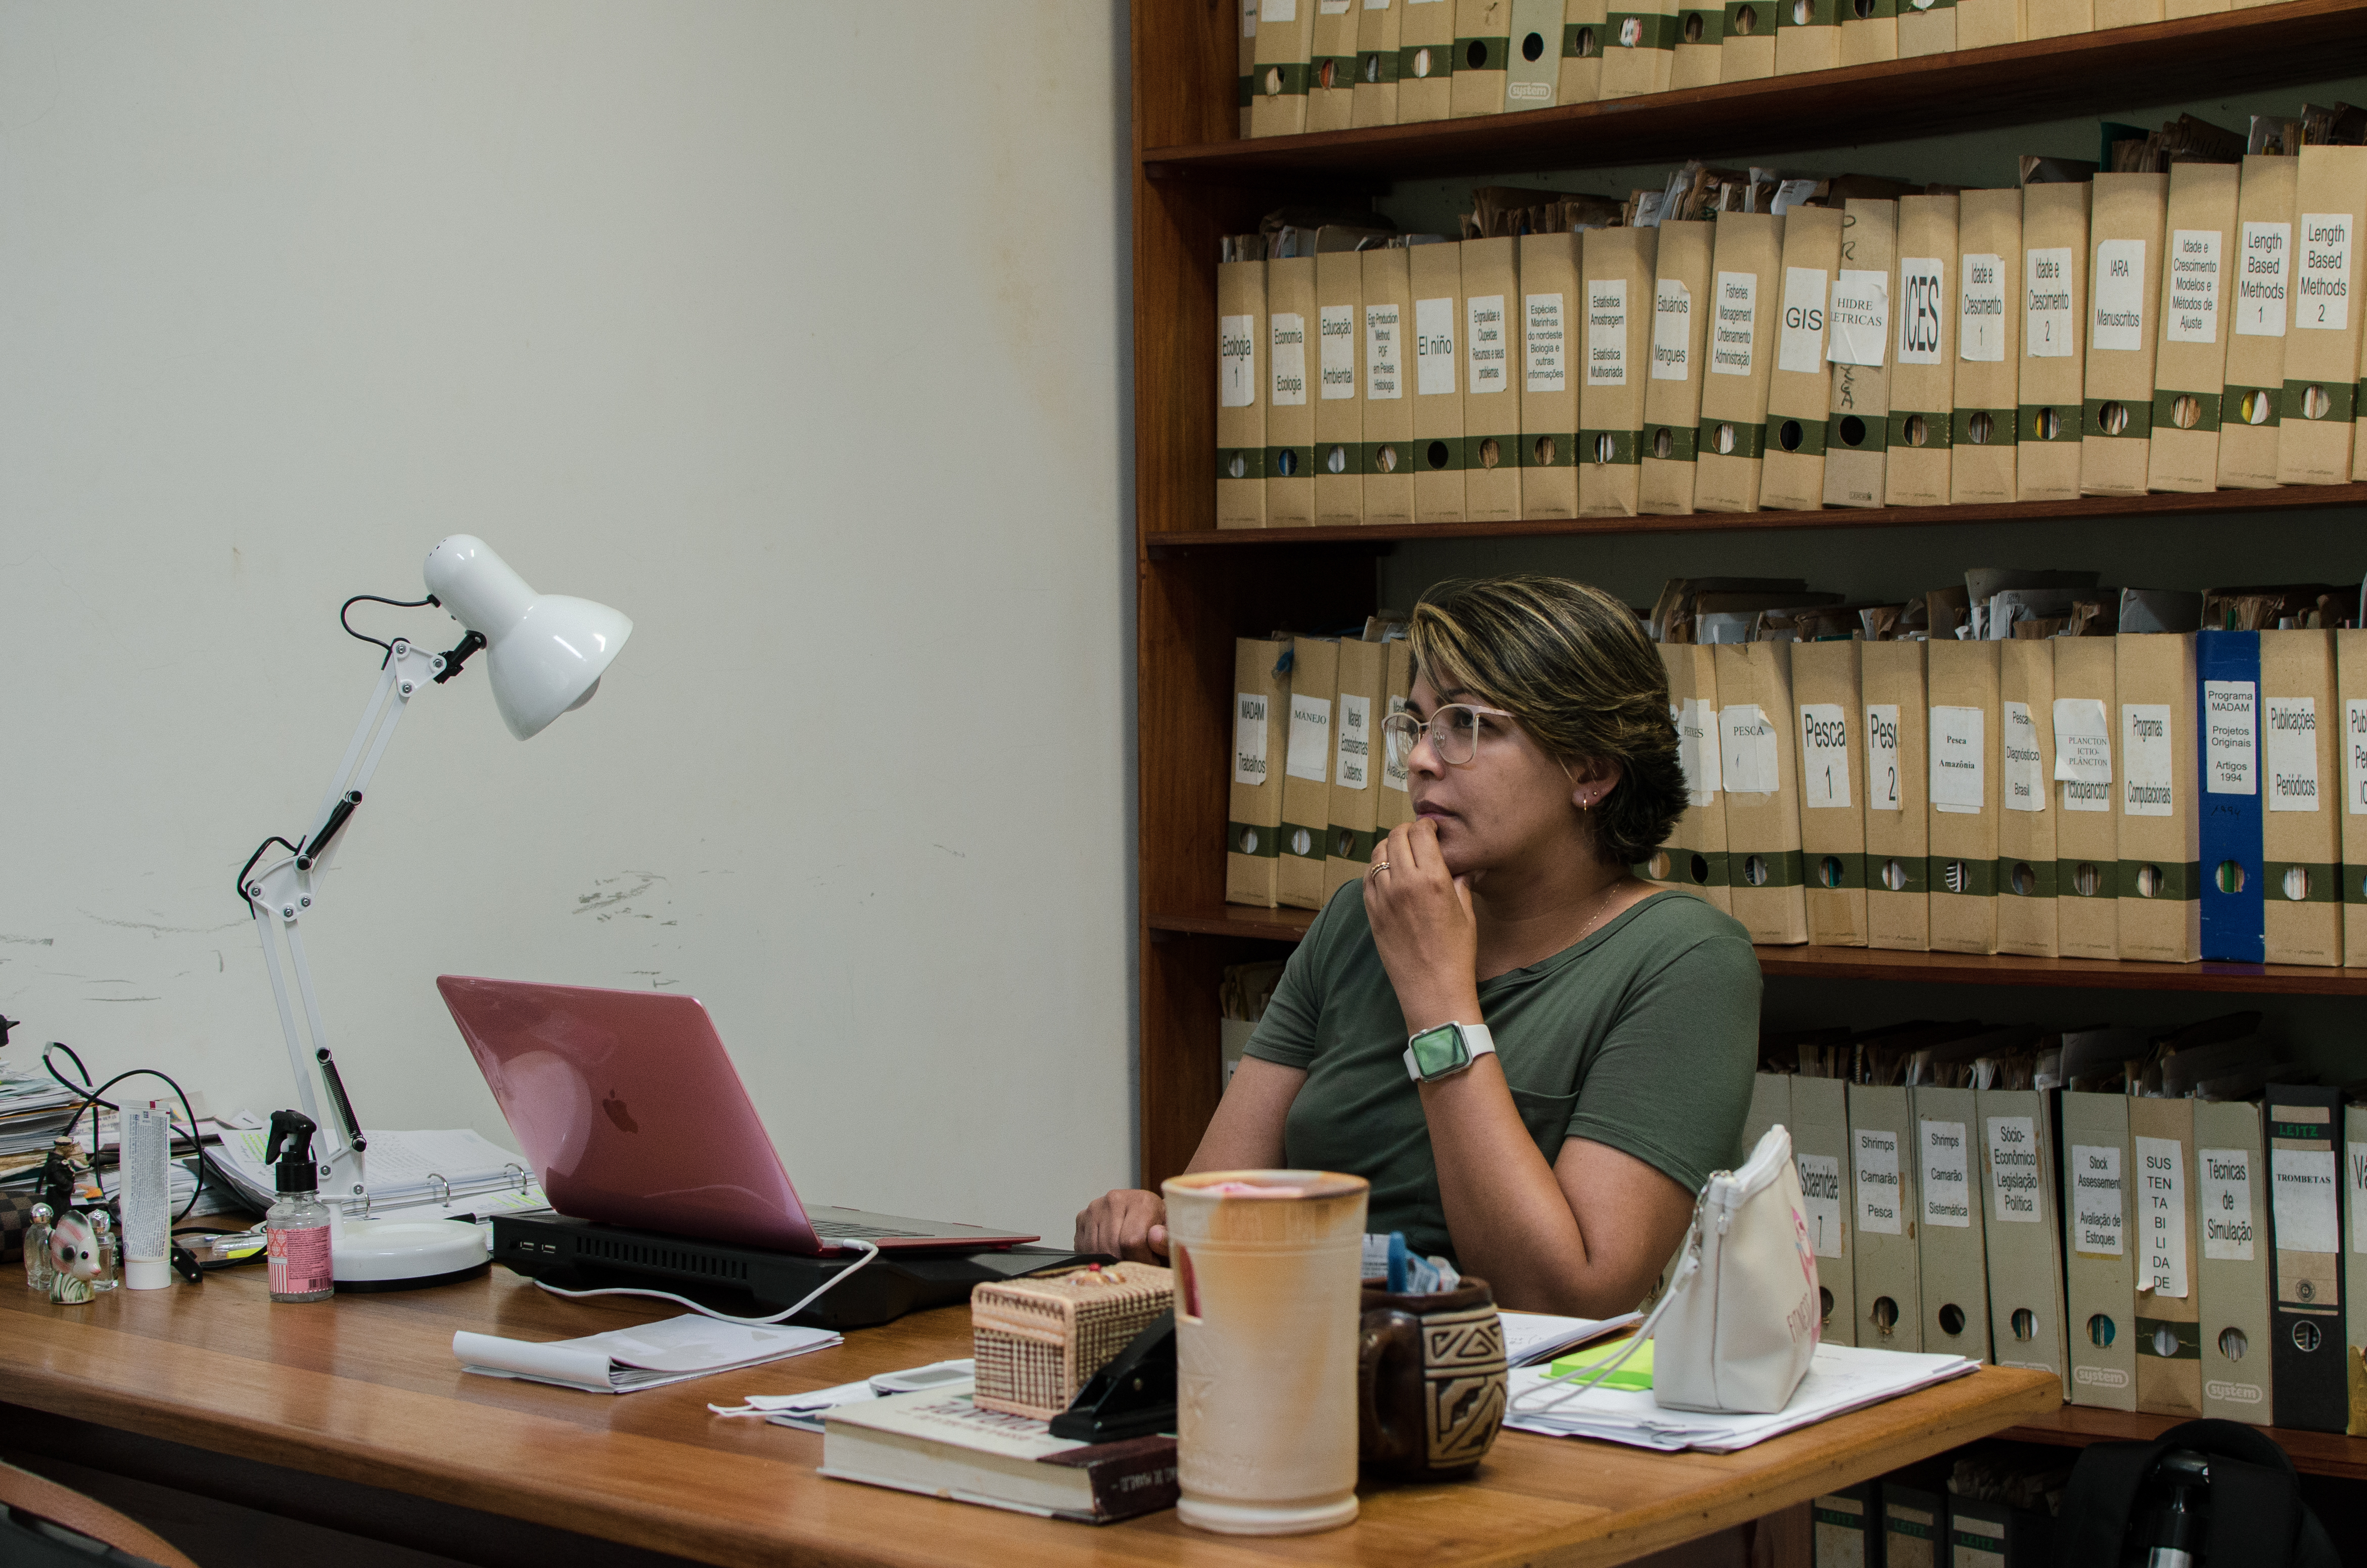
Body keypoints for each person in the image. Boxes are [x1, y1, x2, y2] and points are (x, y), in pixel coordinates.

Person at [1078, 576, 1761, 1317]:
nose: (1423, 760)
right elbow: (1215, 1223)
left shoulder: (1687, 959)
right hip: (1311, 1364)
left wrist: (1438, 998)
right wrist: (1146, 1229)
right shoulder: (1358, 917)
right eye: (1417, 725)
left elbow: (1566, 1294)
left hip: (1523, 1399)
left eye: (1466, 725)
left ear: (1591, 770)